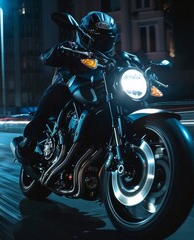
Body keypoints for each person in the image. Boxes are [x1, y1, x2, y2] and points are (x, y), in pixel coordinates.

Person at [15, 11, 119, 165]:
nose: (100, 45)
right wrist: (60, 49)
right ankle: (29, 140)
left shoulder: (111, 61)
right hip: (69, 92)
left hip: (98, 98)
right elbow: (45, 57)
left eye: (105, 42)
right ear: (83, 36)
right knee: (56, 91)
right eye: (97, 40)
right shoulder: (72, 49)